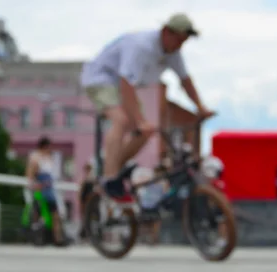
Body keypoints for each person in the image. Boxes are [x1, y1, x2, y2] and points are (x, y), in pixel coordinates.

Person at [78, 12, 215, 196]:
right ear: (166, 32)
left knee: (146, 131)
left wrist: (201, 108)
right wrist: (139, 119)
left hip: (121, 85)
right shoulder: (141, 46)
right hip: (101, 79)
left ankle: (112, 168)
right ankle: (110, 178)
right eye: (178, 40)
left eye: (183, 42)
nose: (180, 45)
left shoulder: (173, 53)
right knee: (122, 120)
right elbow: (126, 82)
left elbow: (185, 81)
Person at [26, 136, 68, 246]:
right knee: (39, 214)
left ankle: (57, 238)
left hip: (49, 189)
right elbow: (30, 175)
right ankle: (38, 238)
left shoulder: (49, 158)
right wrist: (35, 186)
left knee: (54, 214)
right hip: (41, 188)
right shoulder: (35, 158)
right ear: (44, 146)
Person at [78, 163, 97, 239]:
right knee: (85, 218)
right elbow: (81, 192)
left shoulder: (92, 179)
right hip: (85, 201)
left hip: (90, 201)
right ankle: (84, 234)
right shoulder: (84, 179)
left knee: (89, 218)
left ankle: (87, 234)